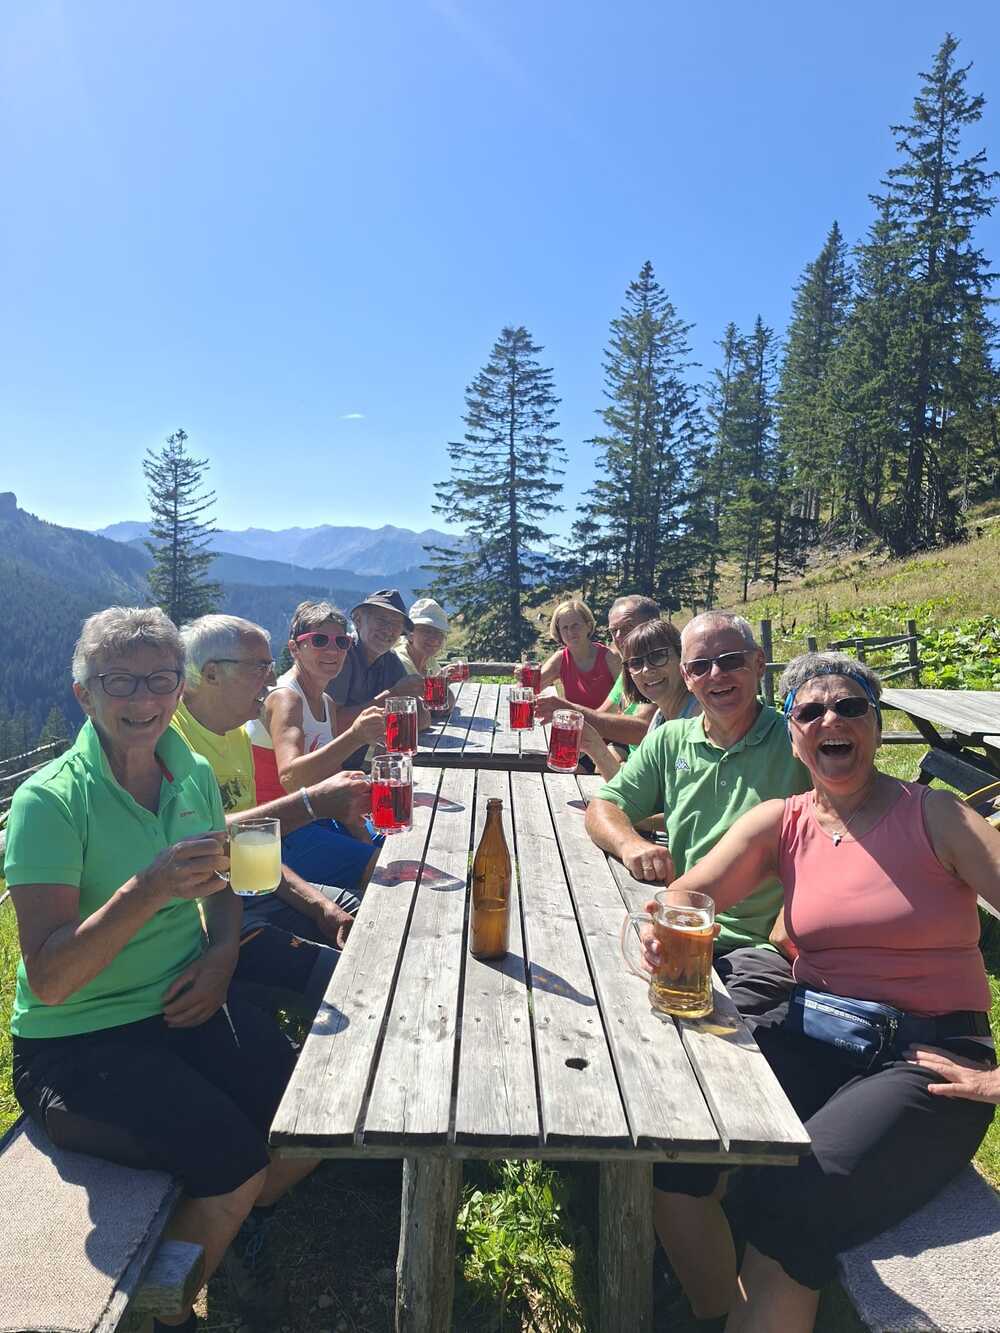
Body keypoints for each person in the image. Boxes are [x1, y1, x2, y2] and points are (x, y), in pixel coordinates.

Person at [643, 652, 999, 1333]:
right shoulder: (783, 820)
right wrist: (667, 934)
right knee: (685, 1143)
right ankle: (710, 1313)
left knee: (793, 1200)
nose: (830, 719)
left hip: (927, 1058)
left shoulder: (937, 816)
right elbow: (687, 894)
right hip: (816, 1028)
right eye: (810, 710)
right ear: (792, 733)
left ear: (877, 724)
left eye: (850, 706)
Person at [5, 607, 319, 1331]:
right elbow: (49, 979)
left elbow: (225, 887)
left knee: (309, 1116)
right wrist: (146, 889)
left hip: (184, 1004)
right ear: (84, 693)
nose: (142, 698)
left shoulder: (191, 772)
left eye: (159, 680)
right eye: (119, 680)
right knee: (236, 1160)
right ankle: (165, 1308)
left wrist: (220, 956)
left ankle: (227, 1227)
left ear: (180, 689)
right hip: (78, 1045)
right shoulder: (48, 801)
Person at [584, 612, 811, 957]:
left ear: (759, 663)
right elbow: (604, 805)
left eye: (730, 661)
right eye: (700, 666)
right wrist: (630, 845)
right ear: (687, 677)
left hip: (757, 947)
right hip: (681, 925)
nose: (716, 674)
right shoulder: (669, 740)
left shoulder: (799, 741)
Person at [173, 614, 372, 1005]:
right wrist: (310, 804)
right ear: (211, 674)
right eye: (259, 667)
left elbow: (250, 852)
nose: (270, 679)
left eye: (270, 666)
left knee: (374, 919)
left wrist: (321, 907)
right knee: (352, 982)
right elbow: (199, 843)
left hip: (251, 892)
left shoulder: (235, 734)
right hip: (203, 922)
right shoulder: (171, 740)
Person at [246, 601, 386, 892]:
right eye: (319, 640)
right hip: (278, 833)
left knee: (397, 843)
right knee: (386, 874)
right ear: (295, 648)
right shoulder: (286, 698)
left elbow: (332, 777)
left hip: (314, 820)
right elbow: (291, 777)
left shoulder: (326, 703)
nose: (332, 650)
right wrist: (355, 736)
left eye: (342, 642)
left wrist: (362, 829)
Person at [535, 594, 660, 749]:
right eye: (614, 631)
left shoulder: (656, 670)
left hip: (617, 743)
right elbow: (602, 715)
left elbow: (642, 729)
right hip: (608, 744)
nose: (619, 637)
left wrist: (569, 712)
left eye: (628, 627)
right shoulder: (628, 670)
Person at [579, 619, 699, 780]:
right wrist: (595, 748)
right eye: (636, 663)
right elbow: (636, 788)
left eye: (658, 656)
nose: (647, 669)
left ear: (682, 657)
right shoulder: (660, 719)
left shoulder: (699, 716)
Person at [328, 588, 428, 768]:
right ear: (358, 621)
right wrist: (394, 694)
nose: (389, 629)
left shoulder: (390, 660)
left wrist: (411, 700)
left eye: (396, 624)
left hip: (356, 767)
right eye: (382, 620)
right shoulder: (342, 655)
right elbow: (332, 724)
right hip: (327, 769)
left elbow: (422, 720)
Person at [537, 598, 621, 710]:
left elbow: (627, 698)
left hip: (606, 720)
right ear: (559, 632)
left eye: (575, 625)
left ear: (588, 626)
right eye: (565, 628)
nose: (570, 632)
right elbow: (532, 687)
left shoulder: (610, 658)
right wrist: (524, 677)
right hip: (572, 721)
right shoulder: (560, 660)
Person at [395, 596, 449, 676]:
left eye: (439, 633)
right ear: (410, 634)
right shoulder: (396, 662)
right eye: (427, 631)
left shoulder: (431, 663)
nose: (434, 639)